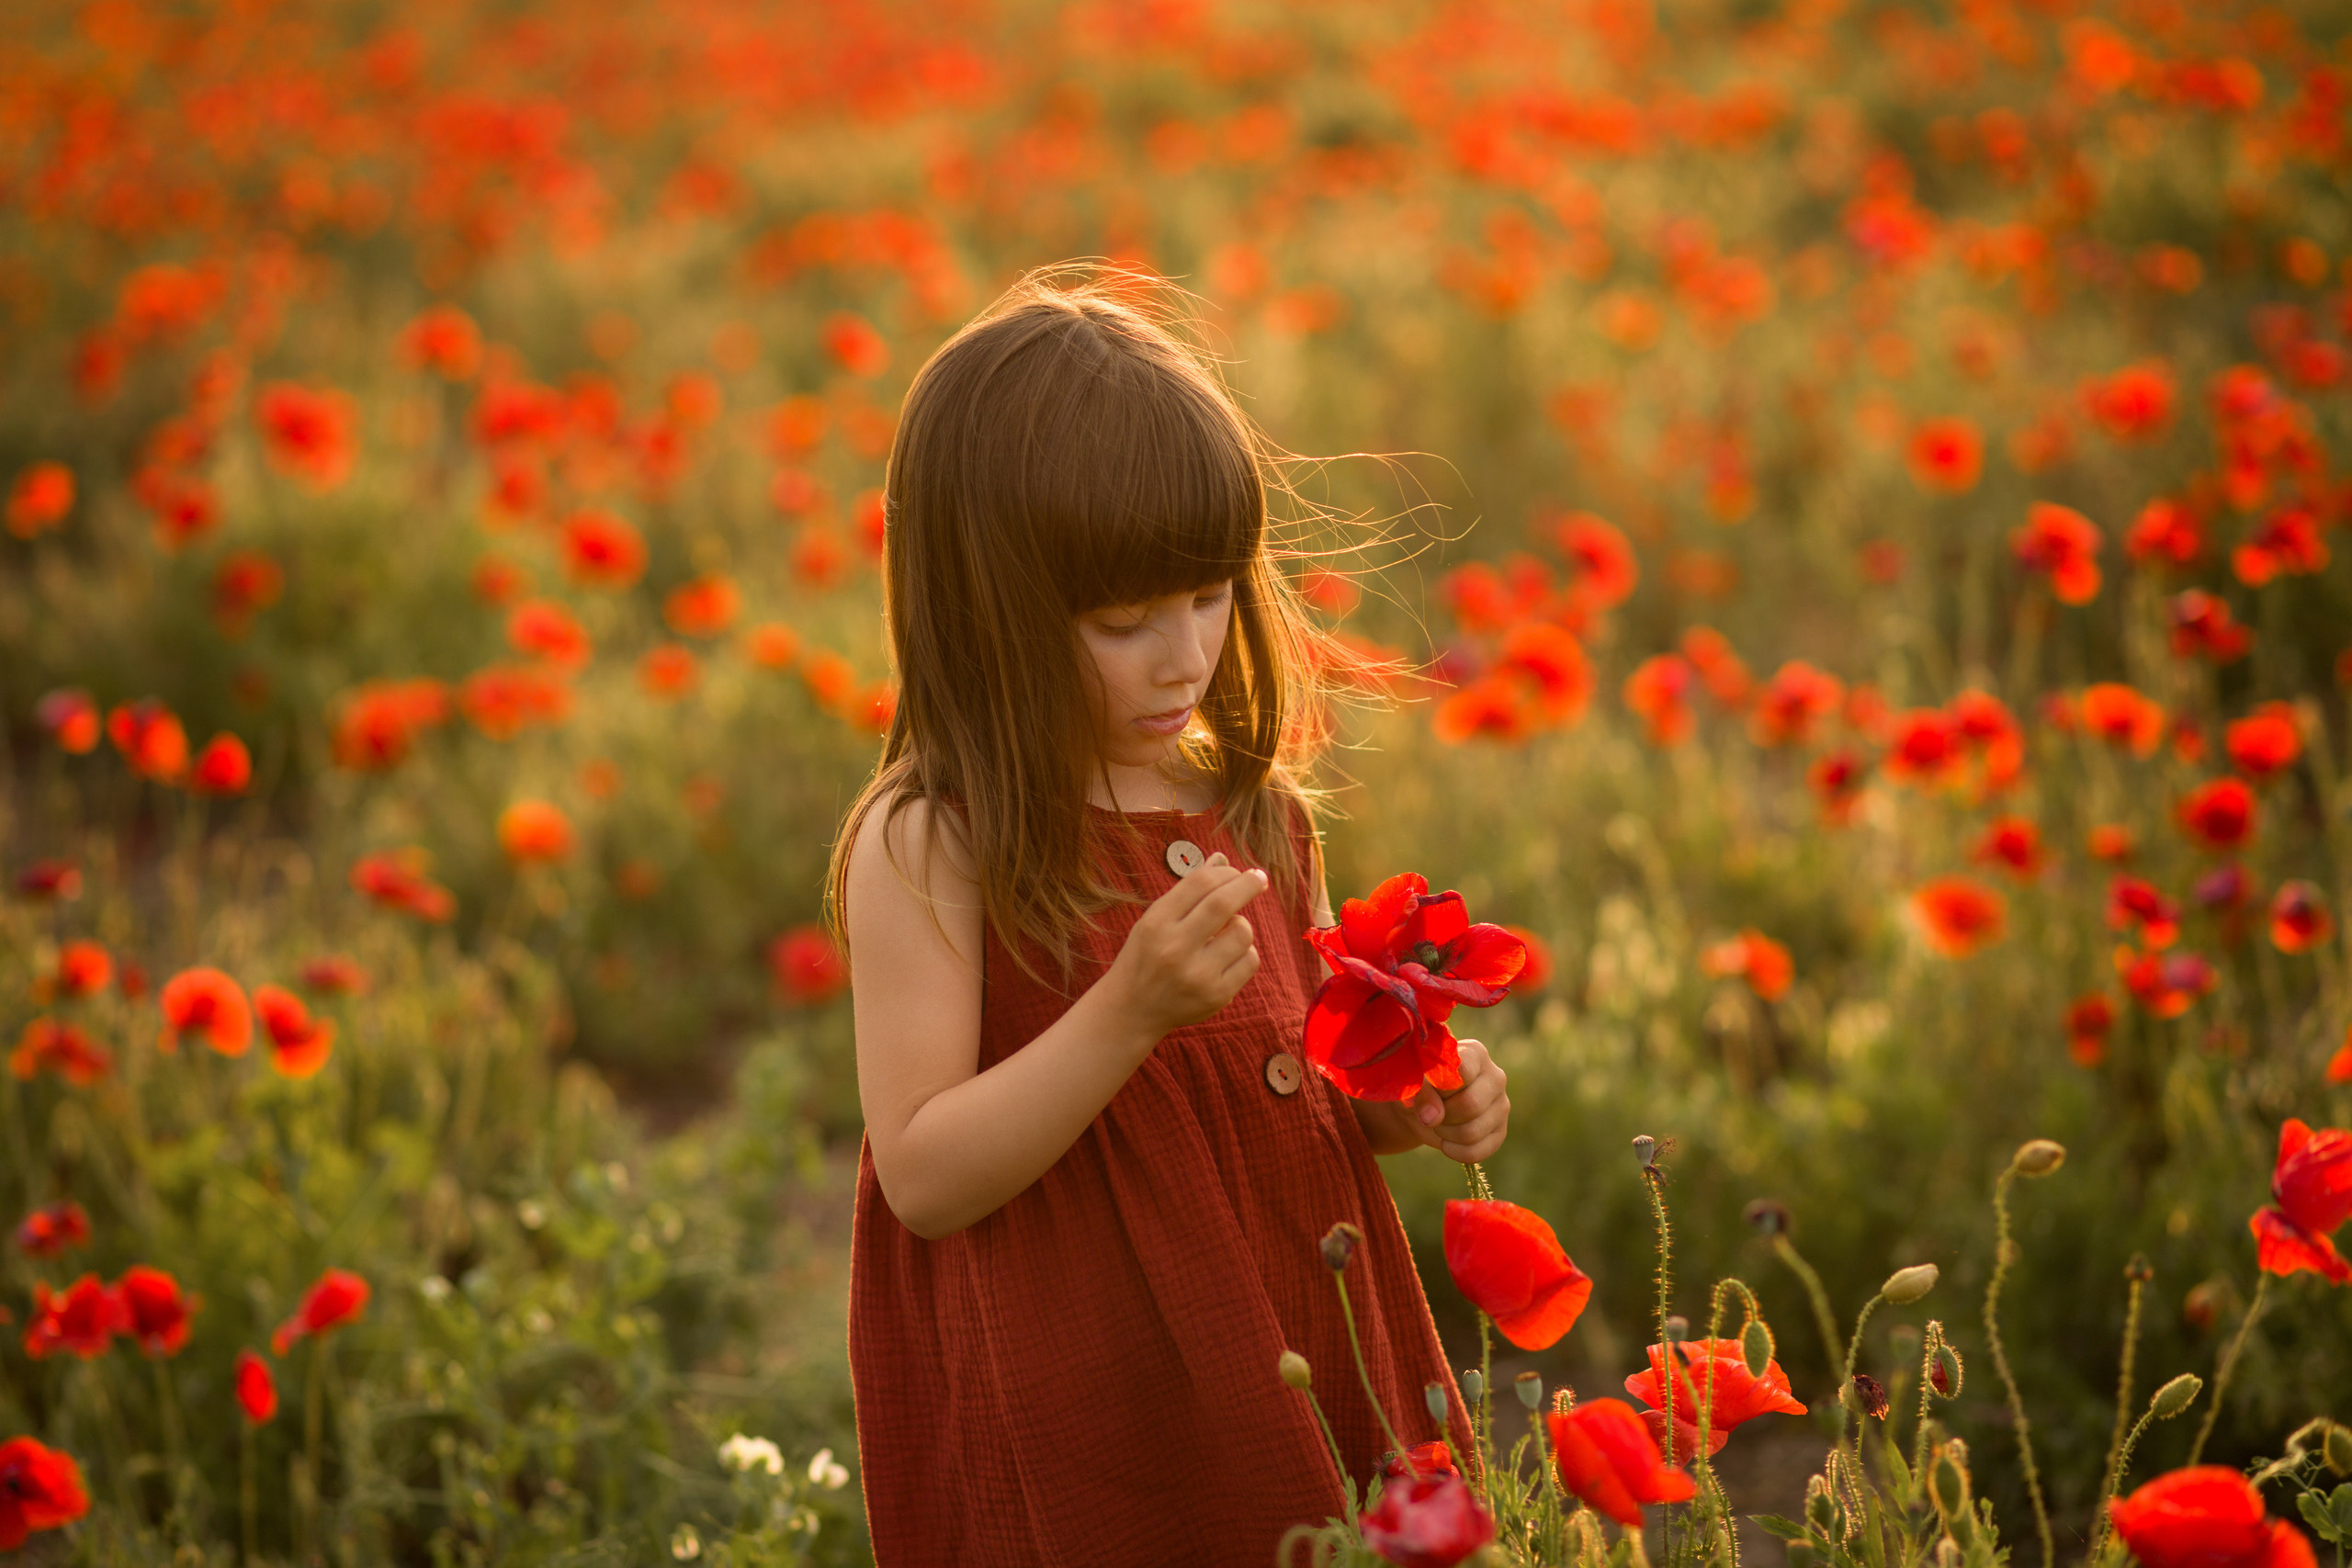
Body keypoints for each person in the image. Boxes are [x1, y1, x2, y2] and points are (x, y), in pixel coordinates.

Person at [823, 262, 1511, 1565]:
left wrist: (1413, 1100)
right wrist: (1124, 1012)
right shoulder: (936, 840)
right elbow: (921, 1174)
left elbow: (1301, 1072)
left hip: (1298, 1343)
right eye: (1125, 620)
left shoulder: (1248, 805)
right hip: (1089, 1416)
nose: (1185, 654)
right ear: (985, 616)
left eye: (1208, 596)